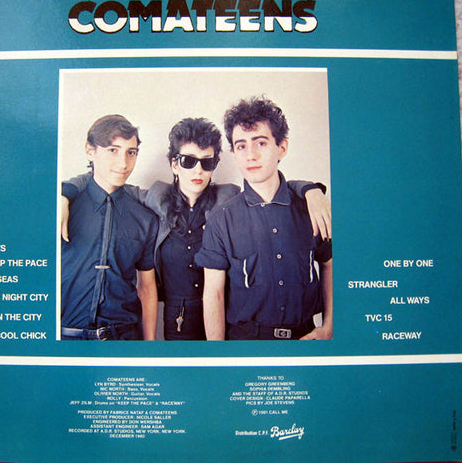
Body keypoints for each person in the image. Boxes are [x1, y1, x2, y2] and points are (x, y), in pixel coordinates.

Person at [62, 117, 331, 340]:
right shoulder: (155, 197)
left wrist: (310, 190)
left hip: (226, 316)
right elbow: (107, 182)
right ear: (174, 164)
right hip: (176, 319)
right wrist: (65, 192)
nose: (198, 170)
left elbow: (267, 187)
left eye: (207, 162)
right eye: (188, 161)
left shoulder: (228, 198)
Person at [195, 96, 333, 340]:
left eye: (260, 143)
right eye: (241, 146)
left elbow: (330, 265)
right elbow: (213, 295)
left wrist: (329, 327)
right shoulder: (220, 220)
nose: (251, 155)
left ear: (282, 148)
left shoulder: (310, 208)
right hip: (245, 344)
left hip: (305, 341)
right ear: (234, 153)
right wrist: (218, 354)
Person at [61, 115, 159, 340]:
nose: (123, 163)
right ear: (90, 151)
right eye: (113, 150)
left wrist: (149, 346)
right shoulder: (63, 207)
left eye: (131, 152)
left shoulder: (145, 217)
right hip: (66, 338)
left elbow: (146, 288)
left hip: (124, 338)